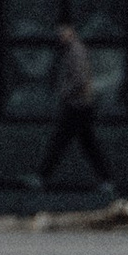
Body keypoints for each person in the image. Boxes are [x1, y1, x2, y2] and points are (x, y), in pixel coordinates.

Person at [32, 22, 117, 202]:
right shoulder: (73, 50)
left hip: (77, 105)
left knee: (60, 142)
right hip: (80, 104)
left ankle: (41, 177)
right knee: (87, 145)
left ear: (70, 32)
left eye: (62, 32)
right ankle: (106, 180)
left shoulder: (75, 51)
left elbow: (80, 79)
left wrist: (64, 92)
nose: (59, 36)